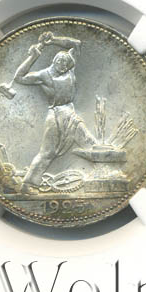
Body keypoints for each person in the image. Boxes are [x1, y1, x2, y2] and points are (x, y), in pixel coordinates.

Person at [14, 30, 96, 194]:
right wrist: (33, 57)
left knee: (90, 144)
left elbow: (76, 44)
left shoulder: (69, 70)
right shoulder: (44, 75)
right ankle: (28, 185)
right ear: (55, 61)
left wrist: (52, 41)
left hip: (70, 114)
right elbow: (19, 77)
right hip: (56, 115)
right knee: (47, 152)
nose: (64, 65)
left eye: (66, 63)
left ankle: (101, 176)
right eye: (61, 62)